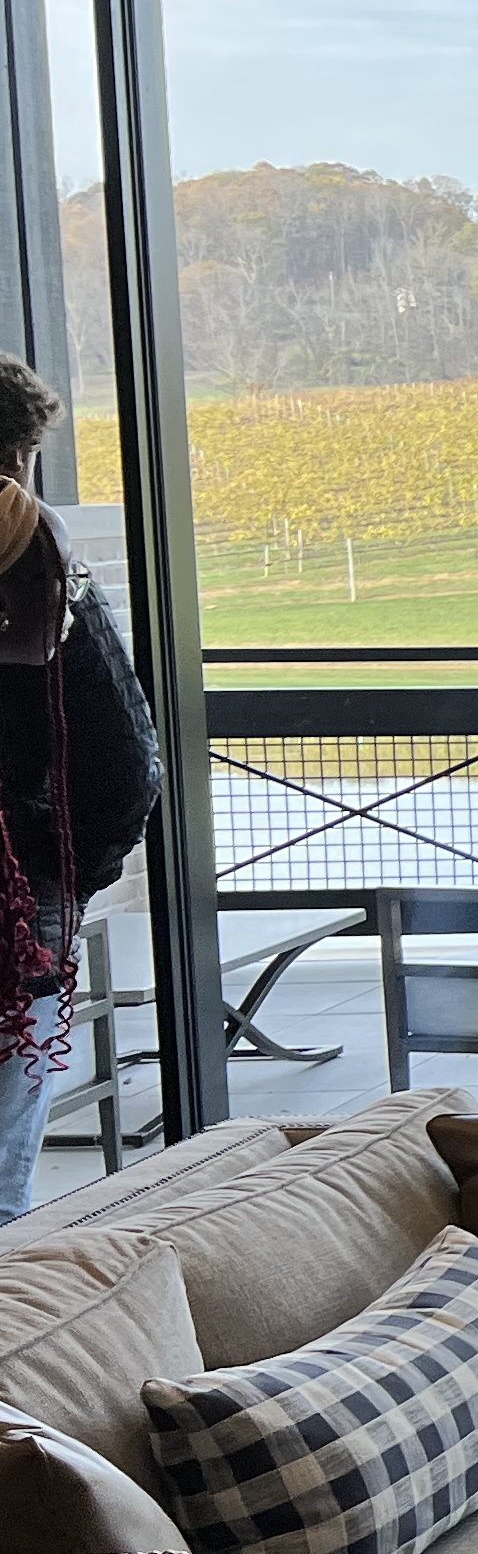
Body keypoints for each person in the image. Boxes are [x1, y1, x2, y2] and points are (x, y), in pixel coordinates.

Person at [0, 358, 153, 1222]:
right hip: (26, 892)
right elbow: (125, 763)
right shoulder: (37, 546)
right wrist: (74, 870)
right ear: (23, 451)